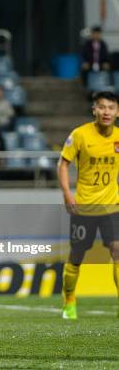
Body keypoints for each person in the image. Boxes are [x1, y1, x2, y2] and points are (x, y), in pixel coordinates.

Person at [57, 91, 119, 320]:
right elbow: (63, 164)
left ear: (117, 112)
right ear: (94, 110)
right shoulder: (80, 135)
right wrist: (66, 193)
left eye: (110, 108)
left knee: (117, 249)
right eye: (101, 107)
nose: (106, 112)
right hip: (84, 206)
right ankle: (69, 301)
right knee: (77, 254)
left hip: (112, 205)